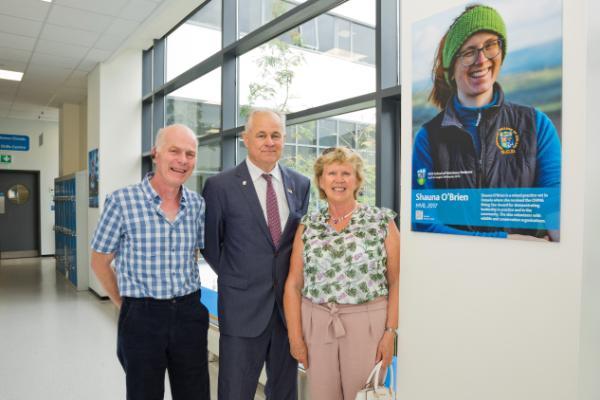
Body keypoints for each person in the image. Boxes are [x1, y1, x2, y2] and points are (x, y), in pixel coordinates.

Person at [412, 4, 561, 240]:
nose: (481, 60)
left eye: (490, 45)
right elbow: (424, 223)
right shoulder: (428, 138)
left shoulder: (537, 125)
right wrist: (505, 241)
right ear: (451, 68)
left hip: (525, 270)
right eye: (469, 52)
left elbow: (555, 208)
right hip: (453, 267)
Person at [90, 124, 210, 400]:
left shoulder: (197, 205)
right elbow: (99, 261)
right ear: (156, 154)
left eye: (190, 154)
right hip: (142, 317)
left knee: (195, 393)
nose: (182, 160)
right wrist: (126, 305)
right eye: (174, 151)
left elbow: (198, 252)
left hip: (189, 313)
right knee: (144, 394)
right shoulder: (122, 201)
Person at [202, 109, 311, 400]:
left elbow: (297, 246)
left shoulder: (300, 184)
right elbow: (211, 245)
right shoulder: (220, 186)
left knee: (285, 392)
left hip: (286, 312)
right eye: (261, 135)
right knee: (236, 391)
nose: (269, 141)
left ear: (284, 139)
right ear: (245, 139)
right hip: (242, 309)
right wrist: (238, 277)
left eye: (275, 135)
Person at [283, 147, 400, 400]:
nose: (339, 179)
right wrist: (295, 336)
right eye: (332, 173)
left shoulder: (381, 221)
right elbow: (294, 283)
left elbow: (397, 280)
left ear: (357, 180)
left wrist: (391, 333)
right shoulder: (308, 223)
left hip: (367, 324)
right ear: (321, 181)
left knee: (364, 394)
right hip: (317, 323)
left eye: (346, 173)